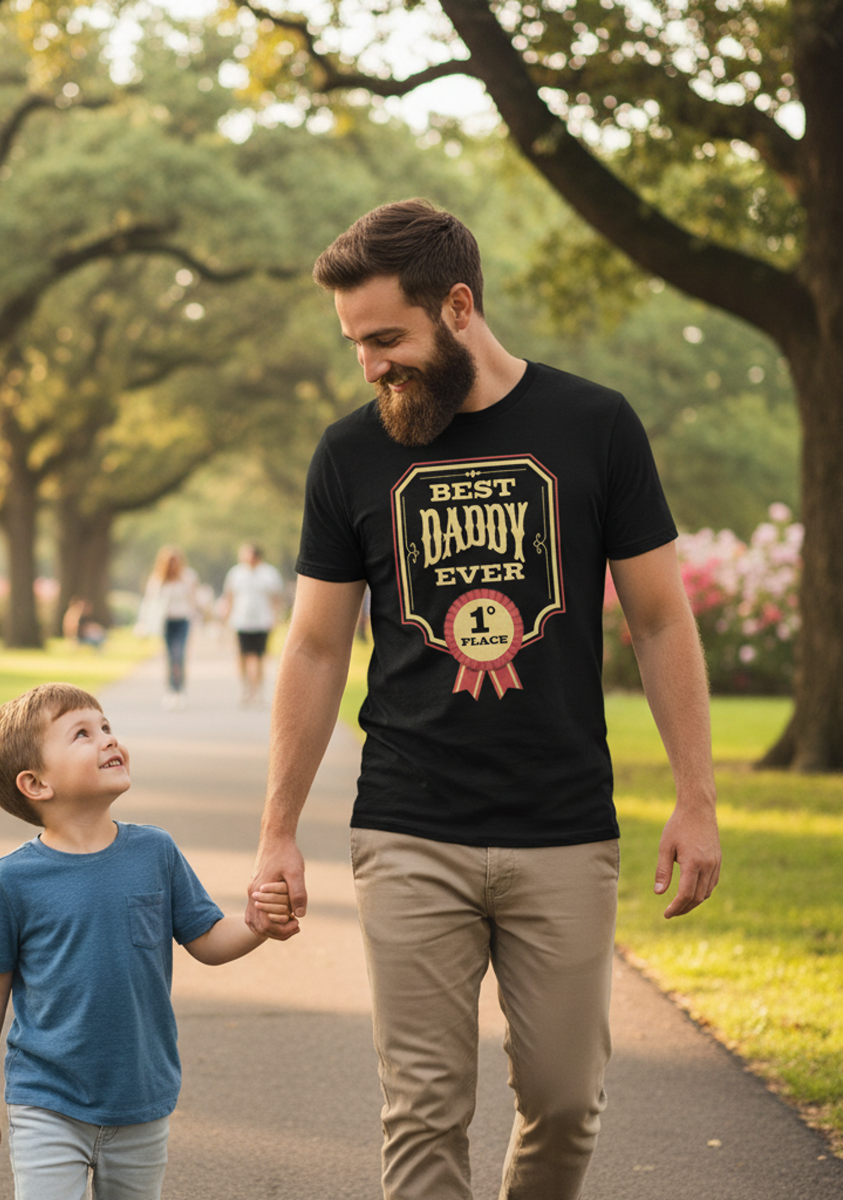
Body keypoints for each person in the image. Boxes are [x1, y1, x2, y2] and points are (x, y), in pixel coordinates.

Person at [245, 200, 721, 1200]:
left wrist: (697, 797)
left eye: (388, 339)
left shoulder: (593, 424)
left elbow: (661, 621)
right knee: (422, 1107)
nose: (372, 365)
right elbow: (317, 644)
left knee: (564, 1099)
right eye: (356, 346)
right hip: (408, 826)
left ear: (458, 307)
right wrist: (278, 828)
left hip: (564, 826)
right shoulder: (351, 454)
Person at [0, 682, 291, 1199]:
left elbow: (205, 938)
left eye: (107, 727)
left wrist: (255, 925)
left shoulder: (154, 852)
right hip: (46, 1097)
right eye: (82, 734)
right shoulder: (15, 880)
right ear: (36, 783)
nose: (108, 740)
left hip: (140, 1095)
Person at [221, 543, 284, 707]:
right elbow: (229, 596)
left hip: (262, 621)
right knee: (242, 655)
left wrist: (276, 617)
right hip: (241, 621)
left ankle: (258, 690)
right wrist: (225, 618)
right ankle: (245, 688)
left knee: (260, 656)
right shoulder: (236, 573)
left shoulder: (269, 574)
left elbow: (276, 598)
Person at [138, 546, 200, 709]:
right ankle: (171, 690)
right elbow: (149, 603)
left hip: (182, 621)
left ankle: (180, 690)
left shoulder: (188, 577)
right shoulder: (158, 579)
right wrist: (143, 624)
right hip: (165, 622)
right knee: (170, 656)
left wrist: (196, 621)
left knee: (179, 654)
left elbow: (193, 601)